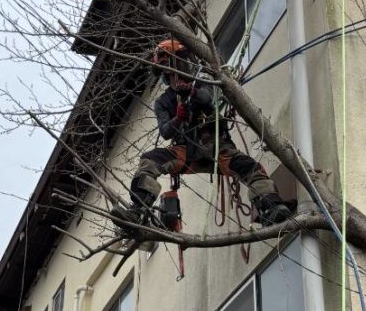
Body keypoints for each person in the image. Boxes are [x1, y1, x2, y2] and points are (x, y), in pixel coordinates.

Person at [112, 38, 293, 229]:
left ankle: (271, 207)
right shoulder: (164, 101)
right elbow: (165, 131)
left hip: (217, 147)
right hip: (186, 151)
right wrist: (178, 119)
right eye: (167, 66)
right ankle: (138, 210)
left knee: (250, 167)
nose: (174, 70)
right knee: (150, 160)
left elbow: (208, 99)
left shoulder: (204, 81)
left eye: (174, 62)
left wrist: (193, 91)